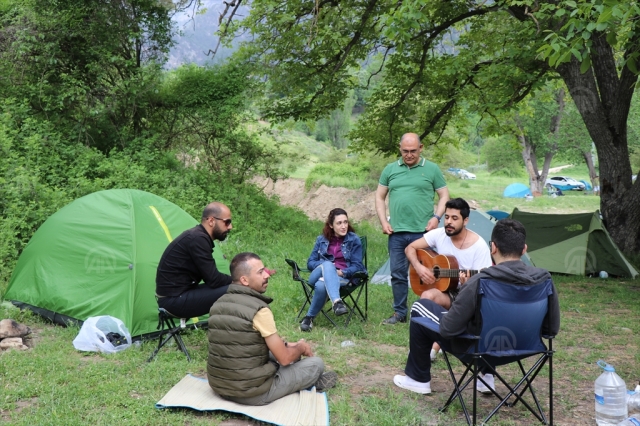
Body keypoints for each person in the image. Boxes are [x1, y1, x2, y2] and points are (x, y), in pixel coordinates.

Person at [393, 219, 560, 395]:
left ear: (493, 248)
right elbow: (551, 330)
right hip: (527, 347)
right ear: (524, 249)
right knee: (495, 322)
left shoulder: (481, 281)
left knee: (421, 307)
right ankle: (486, 376)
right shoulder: (544, 280)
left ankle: (417, 379)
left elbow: (449, 328)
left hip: (477, 349)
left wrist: (465, 288)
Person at [207, 252, 337, 405]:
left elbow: (240, 345)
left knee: (278, 352)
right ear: (244, 280)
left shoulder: (217, 304)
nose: (267, 275)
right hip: (251, 393)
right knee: (316, 364)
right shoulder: (259, 310)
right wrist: (300, 348)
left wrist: (288, 346)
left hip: (219, 386)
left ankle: (299, 377)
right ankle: (309, 382)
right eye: (260, 272)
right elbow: (285, 359)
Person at [404, 198, 492, 365]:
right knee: (427, 296)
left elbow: (485, 282)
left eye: (454, 218)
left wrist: (467, 284)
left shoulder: (478, 246)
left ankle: (435, 347)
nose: (449, 222)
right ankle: (423, 346)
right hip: (447, 291)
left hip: (468, 296)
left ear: (466, 221)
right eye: (447, 217)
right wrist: (419, 267)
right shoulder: (440, 234)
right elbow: (410, 248)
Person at [375, 133, 450, 325]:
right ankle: (400, 313)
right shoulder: (390, 169)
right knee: (397, 273)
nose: (409, 155)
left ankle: (426, 310)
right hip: (397, 232)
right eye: (405, 151)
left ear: (421, 148)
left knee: (428, 273)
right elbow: (379, 197)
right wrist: (384, 221)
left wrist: (436, 218)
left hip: (424, 232)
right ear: (400, 149)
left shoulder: (432, 169)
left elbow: (444, 195)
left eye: (413, 151)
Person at [155, 202, 233, 318]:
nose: (230, 227)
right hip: (173, 301)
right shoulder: (198, 239)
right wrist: (238, 280)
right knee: (237, 289)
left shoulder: (198, 236)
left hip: (176, 296)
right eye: (227, 222)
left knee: (235, 286)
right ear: (211, 221)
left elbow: (211, 279)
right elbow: (214, 280)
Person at [300, 208, 367, 332]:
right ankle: (337, 302)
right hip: (318, 274)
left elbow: (357, 266)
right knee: (328, 265)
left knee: (321, 285)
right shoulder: (322, 240)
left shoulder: (354, 240)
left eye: (345, 222)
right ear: (331, 225)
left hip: (342, 278)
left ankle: (308, 318)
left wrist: (342, 272)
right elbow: (310, 263)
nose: (343, 226)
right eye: (339, 223)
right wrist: (327, 267)